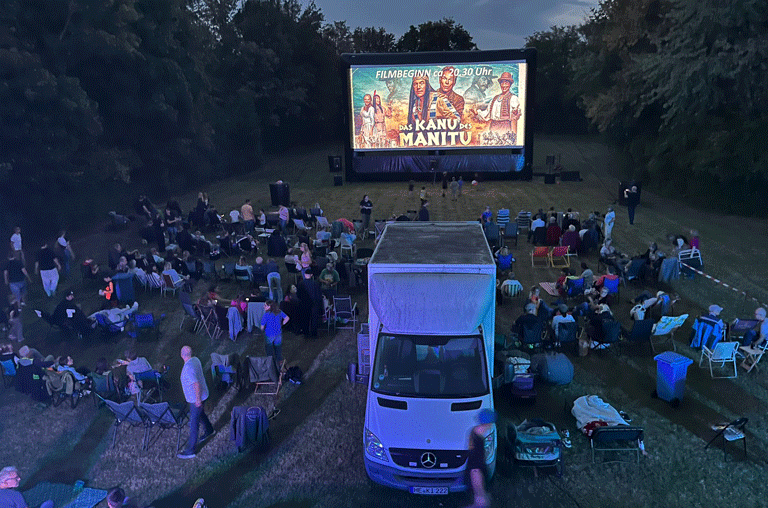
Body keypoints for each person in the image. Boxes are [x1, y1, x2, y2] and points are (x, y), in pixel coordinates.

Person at [178, 346, 214, 459]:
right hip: (202, 395)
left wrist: (197, 400)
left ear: (181, 355)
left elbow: (196, 384)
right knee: (200, 414)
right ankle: (209, 430)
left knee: (194, 423)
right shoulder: (196, 360)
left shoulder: (188, 368)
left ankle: (191, 450)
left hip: (196, 399)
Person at [471, 71, 521, 140]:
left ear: (510, 84)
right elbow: (487, 113)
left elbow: (515, 118)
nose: (504, 85)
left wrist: (515, 112)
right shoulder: (494, 99)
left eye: (506, 83)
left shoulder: (513, 98)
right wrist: (477, 113)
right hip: (493, 127)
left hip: (505, 127)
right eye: (502, 83)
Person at [466, 409, 496, 508]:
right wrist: (480, 492)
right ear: (487, 423)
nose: (491, 426)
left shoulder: (473, 433)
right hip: (477, 478)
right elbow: (475, 469)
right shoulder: (478, 441)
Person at [260, 300, 289, 365]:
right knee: (278, 349)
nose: (264, 306)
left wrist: (262, 331)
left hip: (269, 335)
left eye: (265, 305)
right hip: (278, 334)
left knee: (269, 350)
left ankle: (271, 363)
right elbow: (287, 318)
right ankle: (279, 362)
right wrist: (282, 324)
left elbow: (262, 327)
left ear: (270, 306)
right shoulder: (279, 312)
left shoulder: (266, 315)